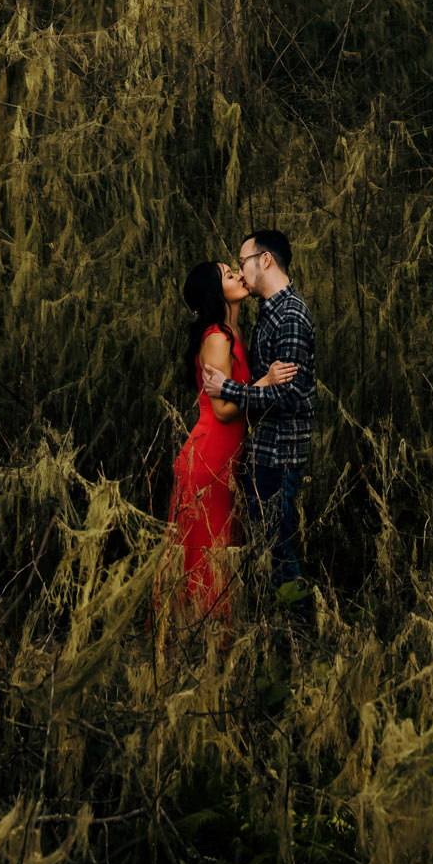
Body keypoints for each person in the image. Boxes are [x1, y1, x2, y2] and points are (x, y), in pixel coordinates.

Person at [199, 228, 315, 622]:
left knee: (278, 553)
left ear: (265, 260)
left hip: (280, 456)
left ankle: (297, 638)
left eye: (244, 262)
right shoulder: (266, 314)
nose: (241, 271)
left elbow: (287, 396)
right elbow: (263, 386)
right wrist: (250, 386)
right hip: (260, 455)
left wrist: (232, 388)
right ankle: (274, 636)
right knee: (265, 551)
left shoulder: (292, 316)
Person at [165, 257, 290, 624]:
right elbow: (221, 409)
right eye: (227, 273)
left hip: (227, 458)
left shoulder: (235, 333)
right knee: (208, 551)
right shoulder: (218, 338)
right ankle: (199, 637)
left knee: (222, 549)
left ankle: (213, 640)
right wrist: (264, 384)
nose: (237, 275)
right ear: (214, 292)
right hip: (208, 459)